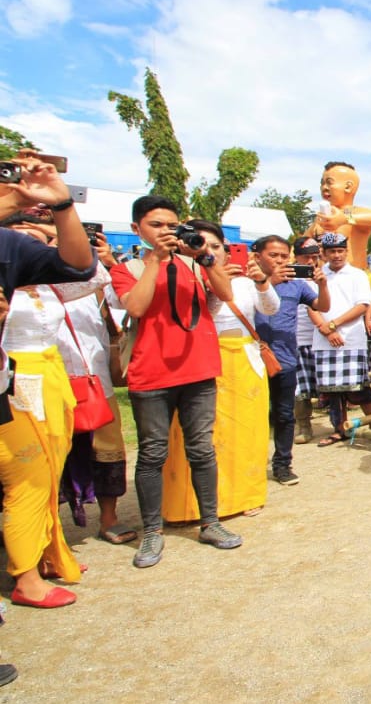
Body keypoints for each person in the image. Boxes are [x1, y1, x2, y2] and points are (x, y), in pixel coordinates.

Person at [110, 195, 242, 568]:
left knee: (202, 449)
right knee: (152, 452)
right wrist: (155, 260)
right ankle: (152, 532)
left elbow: (226, 293)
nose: (166, 232)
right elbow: (135, 307)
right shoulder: (130, 267)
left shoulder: (194, 264)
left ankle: (211, 523)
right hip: (150, 373)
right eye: (156, 225)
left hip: (198, 369)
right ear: (138, 229)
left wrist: (203, 255)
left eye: (171, 224)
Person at [0, 167, 99, 608]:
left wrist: (60, 208)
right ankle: (25, 576)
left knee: (46, 473)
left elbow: (88, 271)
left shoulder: (36, 283)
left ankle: (46, 555)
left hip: (47, 379)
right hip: (20, 381)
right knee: (27, 477)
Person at [160, 221, 280, 520]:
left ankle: (246, 494)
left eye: (216, 247)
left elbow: (270, 309)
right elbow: (200, 316)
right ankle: (199, 503)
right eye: (202, 246)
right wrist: (213, 284)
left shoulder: (244, 282)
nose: (209, 252)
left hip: (243, 361)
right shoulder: (186, 279)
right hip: (201, 359)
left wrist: (262, 282)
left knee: (247, 431)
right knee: (206, 435)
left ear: (227, 251)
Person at [56, 228, 132, 542]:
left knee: (109, 452)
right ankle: (49, 533)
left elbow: (121, 303)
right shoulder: (33, 282)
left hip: (96, 380)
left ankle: (109, 519)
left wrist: (107, 262)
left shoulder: (94, 282)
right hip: (52, 383)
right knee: (52, 458)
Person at [249, 235, 330, 483]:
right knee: (252, 415)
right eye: (273, 255)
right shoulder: (244, 282)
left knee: (284, 414)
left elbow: (323, 307)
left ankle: (282, 464)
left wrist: (323, 285)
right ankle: (250, 466)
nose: (280, 260)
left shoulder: (296, 284)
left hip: (284, 357)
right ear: (258, 256)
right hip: (251, 358)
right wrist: (268, 282)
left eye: (284, 255)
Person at [309, 232, 371, 445]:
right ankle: (339, 429)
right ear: (324, 253)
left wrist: (334, 325)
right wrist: (327, 330)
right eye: (332, 251)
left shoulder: (357, 275)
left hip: (351, 339)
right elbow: (310, 305)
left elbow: (362, 306)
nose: (337, 255)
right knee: (333, 392)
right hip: (324, 340)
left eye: (340, 251)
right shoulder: (316, 275)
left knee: (359, 388)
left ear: (346, 252)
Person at [309, 161, 371, 275]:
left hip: (355, 278)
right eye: (322, 183)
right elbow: (301, 244)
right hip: (324, 279)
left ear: (348, 187)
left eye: (329, 183)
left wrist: (345, 219)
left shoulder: (354, 213)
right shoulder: (320, 219)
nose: (324, 188)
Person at [291, 237, 323, 444]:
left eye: (314, 257)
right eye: (306, 257)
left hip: (325, 339)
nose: (311, 262)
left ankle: (341, 424)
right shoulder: (287, 278)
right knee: (300, 388)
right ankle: (304, 426)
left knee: (330, 385)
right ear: (296, 258)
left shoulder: (326, 275)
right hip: (298, 338)